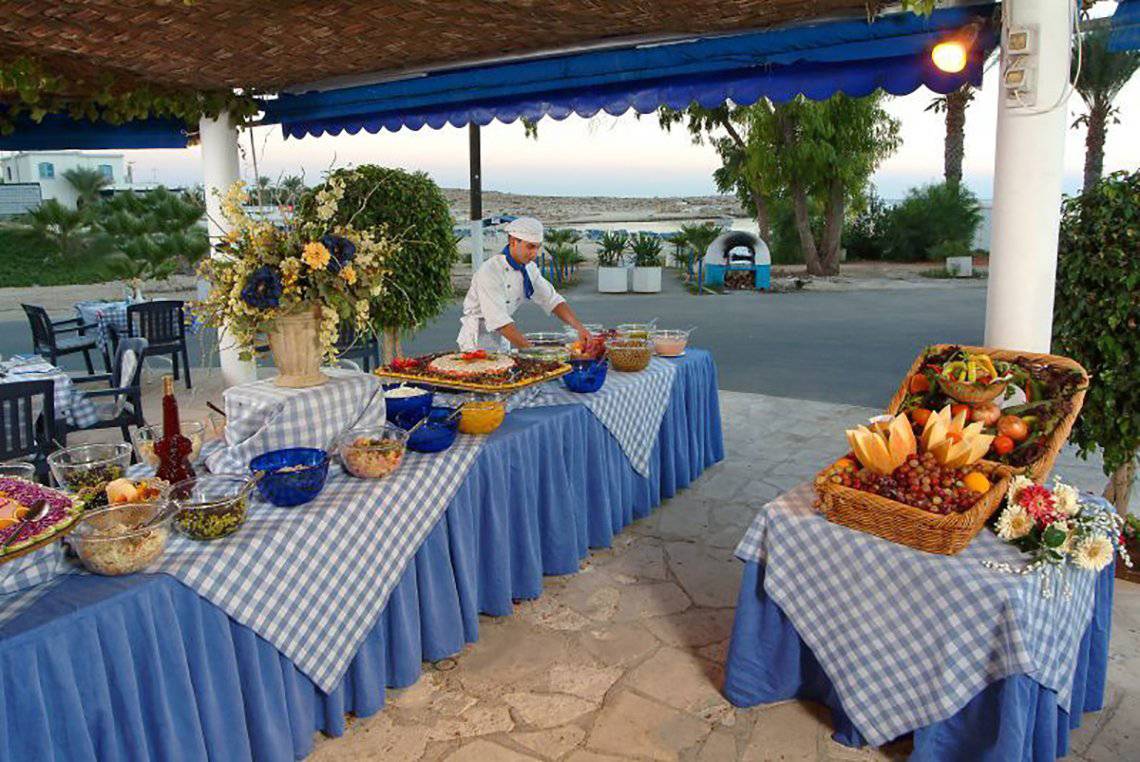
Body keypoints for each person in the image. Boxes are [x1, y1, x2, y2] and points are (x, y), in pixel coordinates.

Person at [457, 216, 590, 351]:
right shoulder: (490, 271)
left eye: (537, 248)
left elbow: (552, 299)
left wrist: (579, 328)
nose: (534, 254)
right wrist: (532, 352)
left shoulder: (529, 268)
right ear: (513, 242)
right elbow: (498, 320)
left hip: (505, 335)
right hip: (477, 339)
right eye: (530, 247)